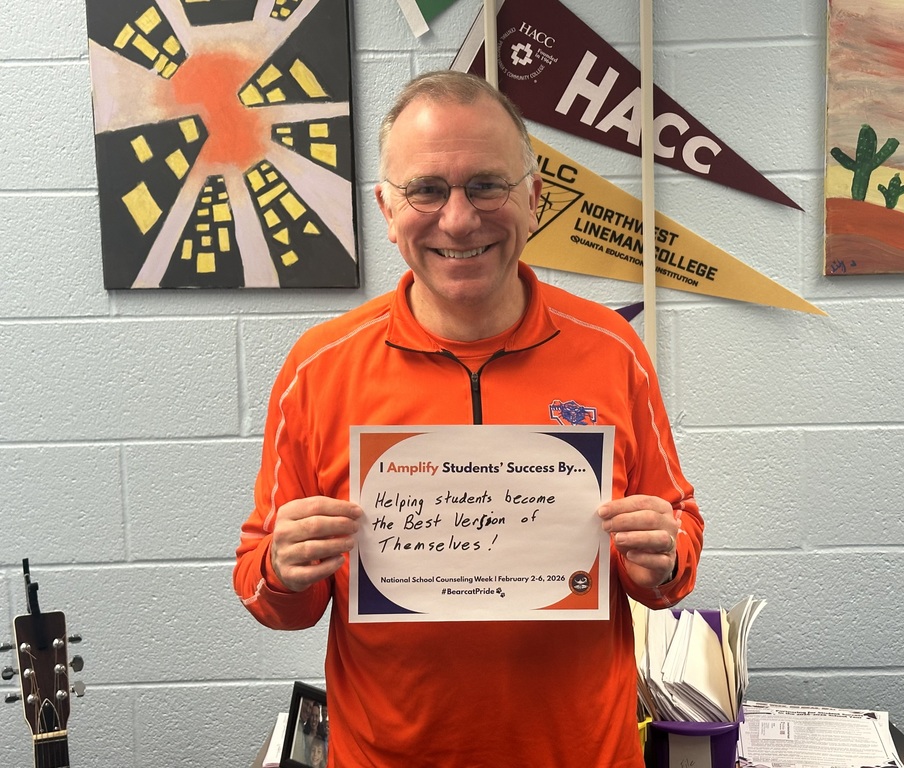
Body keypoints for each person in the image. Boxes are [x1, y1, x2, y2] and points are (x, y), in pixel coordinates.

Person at [233, 70, 704, 768]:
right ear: (387, 210)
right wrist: (282, 568)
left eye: (487, 184)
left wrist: (664, 559)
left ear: (534, 198)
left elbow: (676, 543)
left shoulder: (614, 351)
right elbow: (269, 593)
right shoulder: (317, 369)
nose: (458, 219)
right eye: (426, 190)